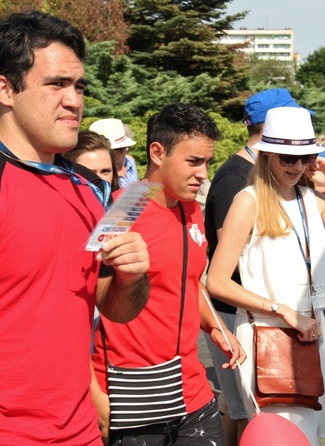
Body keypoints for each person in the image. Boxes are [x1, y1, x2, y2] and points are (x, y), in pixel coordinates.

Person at [0, 11, 150, 445]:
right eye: (57, 84)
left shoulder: (91, 187)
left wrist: (133, 276)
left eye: (79, 86)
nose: (75, 100)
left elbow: (115, 309)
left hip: (79, 433)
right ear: (5, 89)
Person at [206, 106, 325, 446]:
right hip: (267, 336)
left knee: (302, 438)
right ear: (268, 155)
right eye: (287, 158)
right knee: (276, 437)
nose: (297, 166)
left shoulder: (309, 200)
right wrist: (282, 310)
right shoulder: (249, 201)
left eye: (304, 157)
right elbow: (216, 282)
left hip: (310, 336)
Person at [92, 102, 244, 446]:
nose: (204, 173)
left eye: (207, 162)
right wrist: (91, 390)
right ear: (157, 153)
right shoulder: (119, 211)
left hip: (193, 390)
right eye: (193, 161)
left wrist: (215, 327)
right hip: (130, 395)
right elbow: (78, 309)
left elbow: (191, 281)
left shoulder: (192, 209)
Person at [204, 88, 314, 446]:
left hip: (266, 320)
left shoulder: (272, 179)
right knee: (245, 416)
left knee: (244, 414)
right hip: (241, 321)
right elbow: (233, 265)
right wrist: (278, 306)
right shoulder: (237, 181)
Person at [90, 118, 139, 187]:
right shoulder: (100, 176)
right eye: (113, 150)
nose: (119, 153)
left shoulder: (130, 162)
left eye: (123, 148)